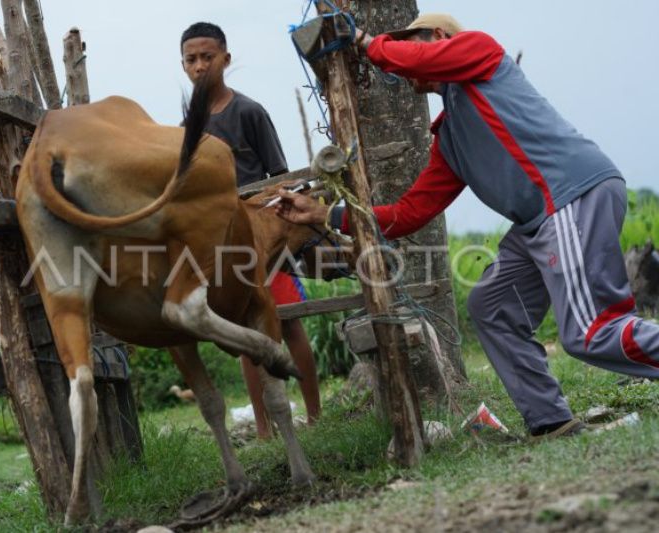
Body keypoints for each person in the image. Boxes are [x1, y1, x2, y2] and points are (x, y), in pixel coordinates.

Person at [276, 13, 659, 439]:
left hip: (569, 197)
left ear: (440, 38)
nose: (406, 55)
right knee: (492, 305)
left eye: (414, 41)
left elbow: (413, 59)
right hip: (538, 221)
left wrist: (365, 40)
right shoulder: (452, 137)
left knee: (591, 332)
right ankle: (551, 421)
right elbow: (407, 214)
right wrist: (323, 215)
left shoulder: (481, 53)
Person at [175, 21, 321, 438]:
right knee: (242, 331)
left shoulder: (249, 112)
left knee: (289, 324)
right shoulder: (187, 126)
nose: (200, 66)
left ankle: (314, 417)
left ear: (226, 59)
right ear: (183, 66)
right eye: (191, 59)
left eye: (208, 57)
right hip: (221, 246)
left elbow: (281, 176)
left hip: (265, 239)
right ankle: (263, 430)